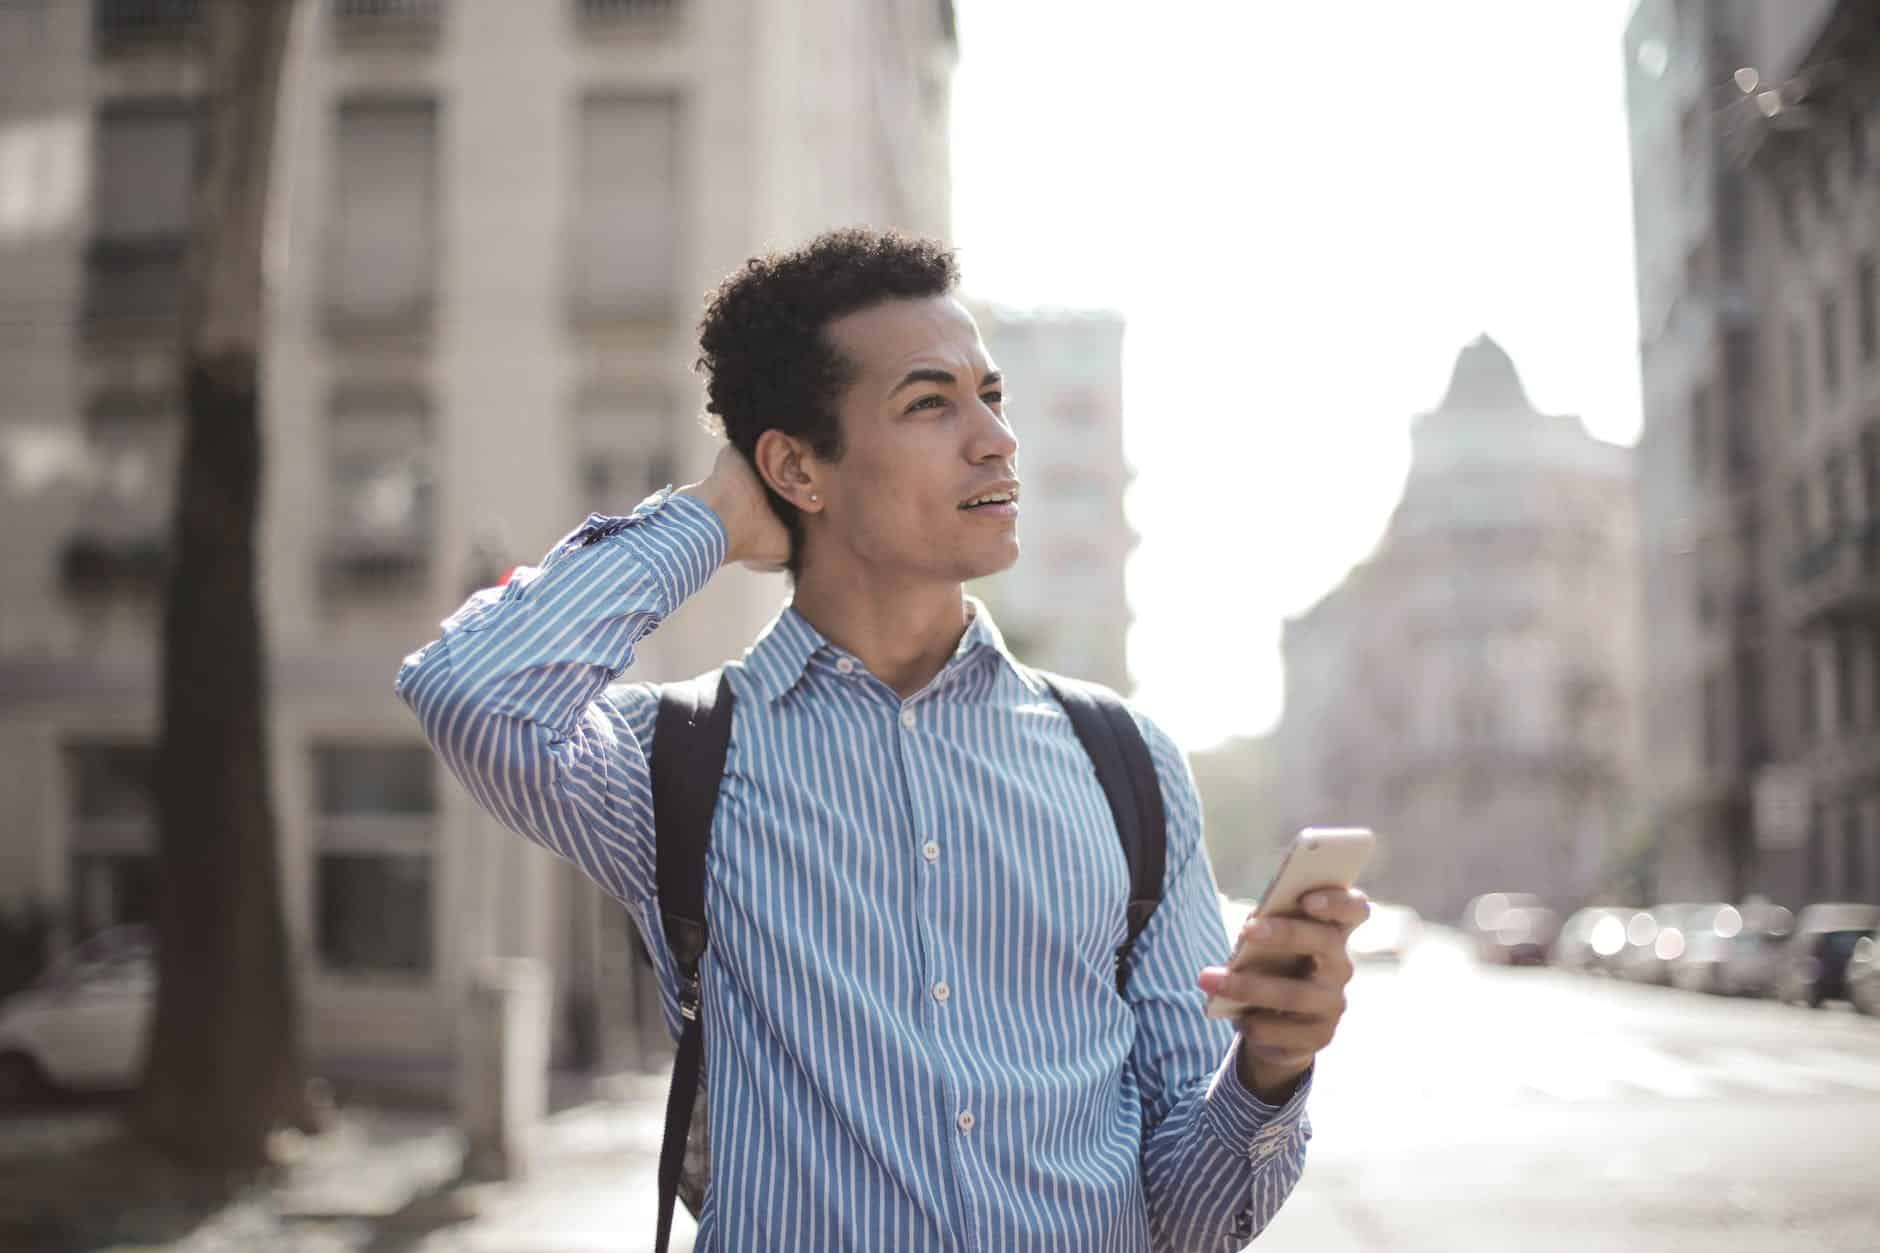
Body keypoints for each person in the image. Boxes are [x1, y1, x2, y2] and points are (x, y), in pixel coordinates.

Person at [396, 228, 1367, 1250]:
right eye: (929, 403)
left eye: (989, 393)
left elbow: (1190, 1220)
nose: (996, 437)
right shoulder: (677, 759)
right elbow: (472, 685)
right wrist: (715, 516)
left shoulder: (1123, 763)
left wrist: (1264, 1071)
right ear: (796, 468)